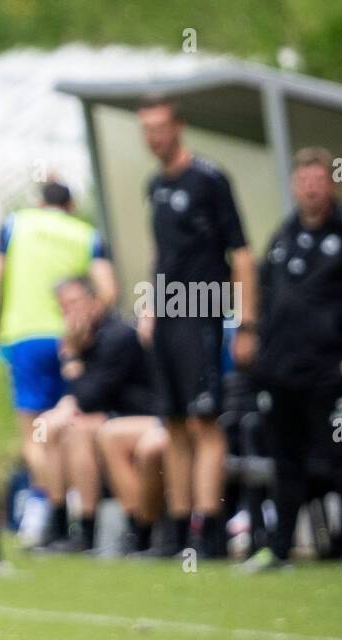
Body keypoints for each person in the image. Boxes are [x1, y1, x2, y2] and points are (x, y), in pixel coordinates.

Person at [237, 147, 342, 574]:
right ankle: (279, 547)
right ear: (294, 186)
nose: (310, 188)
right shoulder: (283, 237)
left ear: (332, 183)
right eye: (303, 181)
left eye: (318, 181)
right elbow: (265, 295)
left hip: (331, 372)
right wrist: (257, 345)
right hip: (281, 372)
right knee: (285, 463)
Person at [137, 96, 257, 557]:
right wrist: (149, 307)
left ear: (179, 127)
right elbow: (162, 257)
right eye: (147, 129)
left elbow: (242, 254)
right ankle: (179, 527)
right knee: (173, 424)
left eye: (161, 127)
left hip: (202, 310)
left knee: (204, 420)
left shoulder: (209, 178)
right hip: (166, 315)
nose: (155, 137)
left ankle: (208, 529)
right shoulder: (155, 186)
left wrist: (246, 323)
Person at [0, 181, 115, 546]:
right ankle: (73, 509)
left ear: (40, 203)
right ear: (70, 205)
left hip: (24, 336)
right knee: (66, 427)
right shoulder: (85, 233)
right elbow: (108, 290)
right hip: (69, 342)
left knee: (35, 436)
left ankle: (54, 506)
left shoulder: (16, 224)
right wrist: (84, 327)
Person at [35, 277, 164, 552]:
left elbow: (92, 396)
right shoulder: (86, 339)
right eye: (63, 307)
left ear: (94, 302)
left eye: (74, 303)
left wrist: (71, 357)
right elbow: (84, 397)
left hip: (146, 416)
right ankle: (60, 525)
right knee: (49, 427)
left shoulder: (118, 335)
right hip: (113, 416)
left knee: (79, 430)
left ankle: (96, 530)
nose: (69, 313)